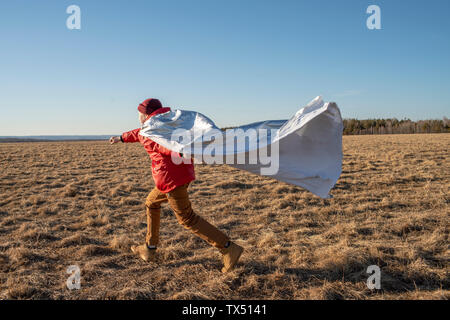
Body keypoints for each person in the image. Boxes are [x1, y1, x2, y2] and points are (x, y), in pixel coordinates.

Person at [109, 98, 243, 273]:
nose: (138, 116)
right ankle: (149, 248)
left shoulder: (151, 134)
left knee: (187, 219)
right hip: (182, 175)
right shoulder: (164, 124)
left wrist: (179, 150)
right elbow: (138, 133)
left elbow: (164, 147)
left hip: (171, 181)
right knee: (151, 203)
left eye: (140, 113)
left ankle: (228, 248)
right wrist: (121, 138)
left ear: (146, 114)